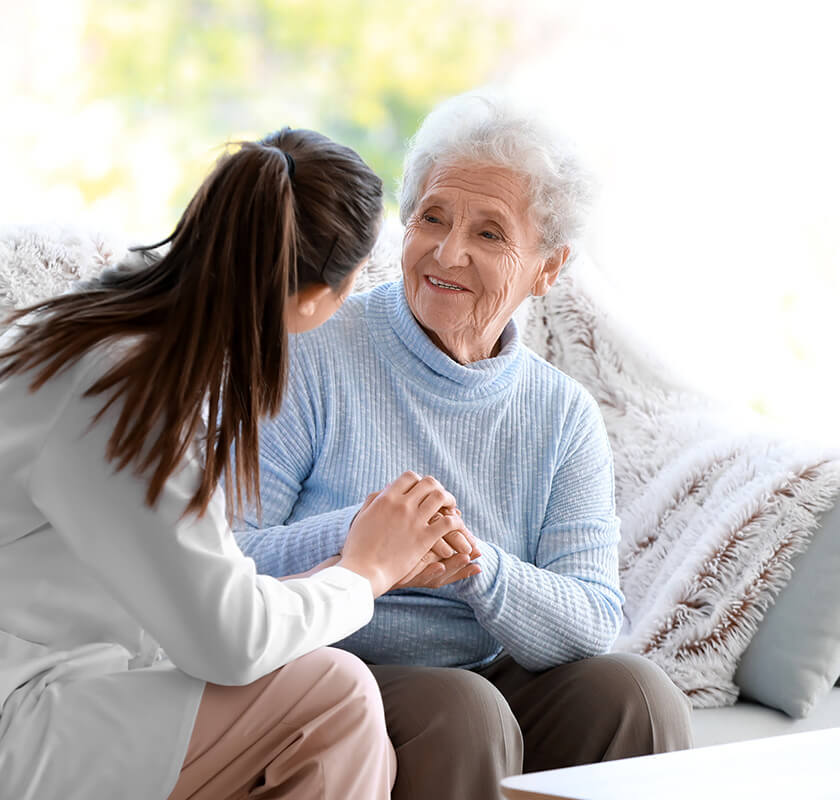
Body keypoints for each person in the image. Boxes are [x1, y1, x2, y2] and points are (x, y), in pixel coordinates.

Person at [0, 128, 471, 800]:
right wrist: (365, 572)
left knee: (336, 711)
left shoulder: (107, 329)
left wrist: (337, 572)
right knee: (333, 698)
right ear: (318, 298)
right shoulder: (125, 387)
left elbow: (197, 592)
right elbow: (229, 641)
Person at [235, 94, 695, 798]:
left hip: (484, 672)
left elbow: (592, 617)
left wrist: (475, 565)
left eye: (489, 233)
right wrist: (370, 537)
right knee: (462, 710)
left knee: (636, 694)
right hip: (329, 669)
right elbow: (227, 557)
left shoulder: (562, 413)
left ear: (548, 267)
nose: (449, 253)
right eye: (432, 218)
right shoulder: (314, 348)